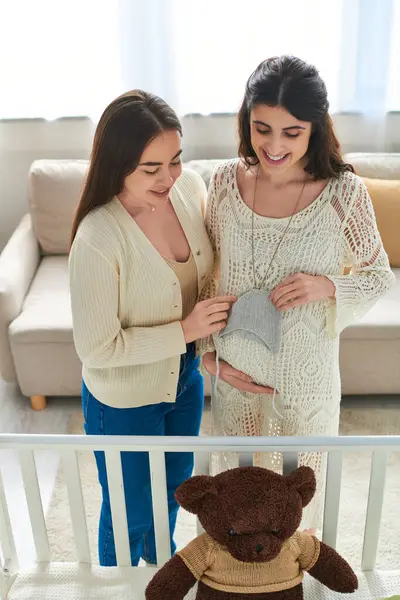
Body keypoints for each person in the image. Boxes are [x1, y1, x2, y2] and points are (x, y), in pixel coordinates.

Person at [199, 56, 395, 530]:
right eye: (262, 128)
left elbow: (377, 274)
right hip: (235, 377)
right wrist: (207, 353)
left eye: (292, 132)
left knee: (296, 504)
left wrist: (326, 284)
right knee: (239, 504)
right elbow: (209, 274)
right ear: (246, 120)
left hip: (305, 384)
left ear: (315, 128)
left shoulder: (343, 192)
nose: (273, 145)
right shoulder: (224, 182)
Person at [69, 90, 236, 566]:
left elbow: (208, 276)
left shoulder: (189, 191)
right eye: (151, 169)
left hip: (183, 379)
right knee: (129, 511)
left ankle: (160, 570)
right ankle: (116, 587)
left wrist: (202, 344)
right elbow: (97, 348)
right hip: (122, 398)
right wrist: (184, 330)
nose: (169, 177)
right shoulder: (99, 236)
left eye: (176, 160)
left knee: (175, 489)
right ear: (118, 163)